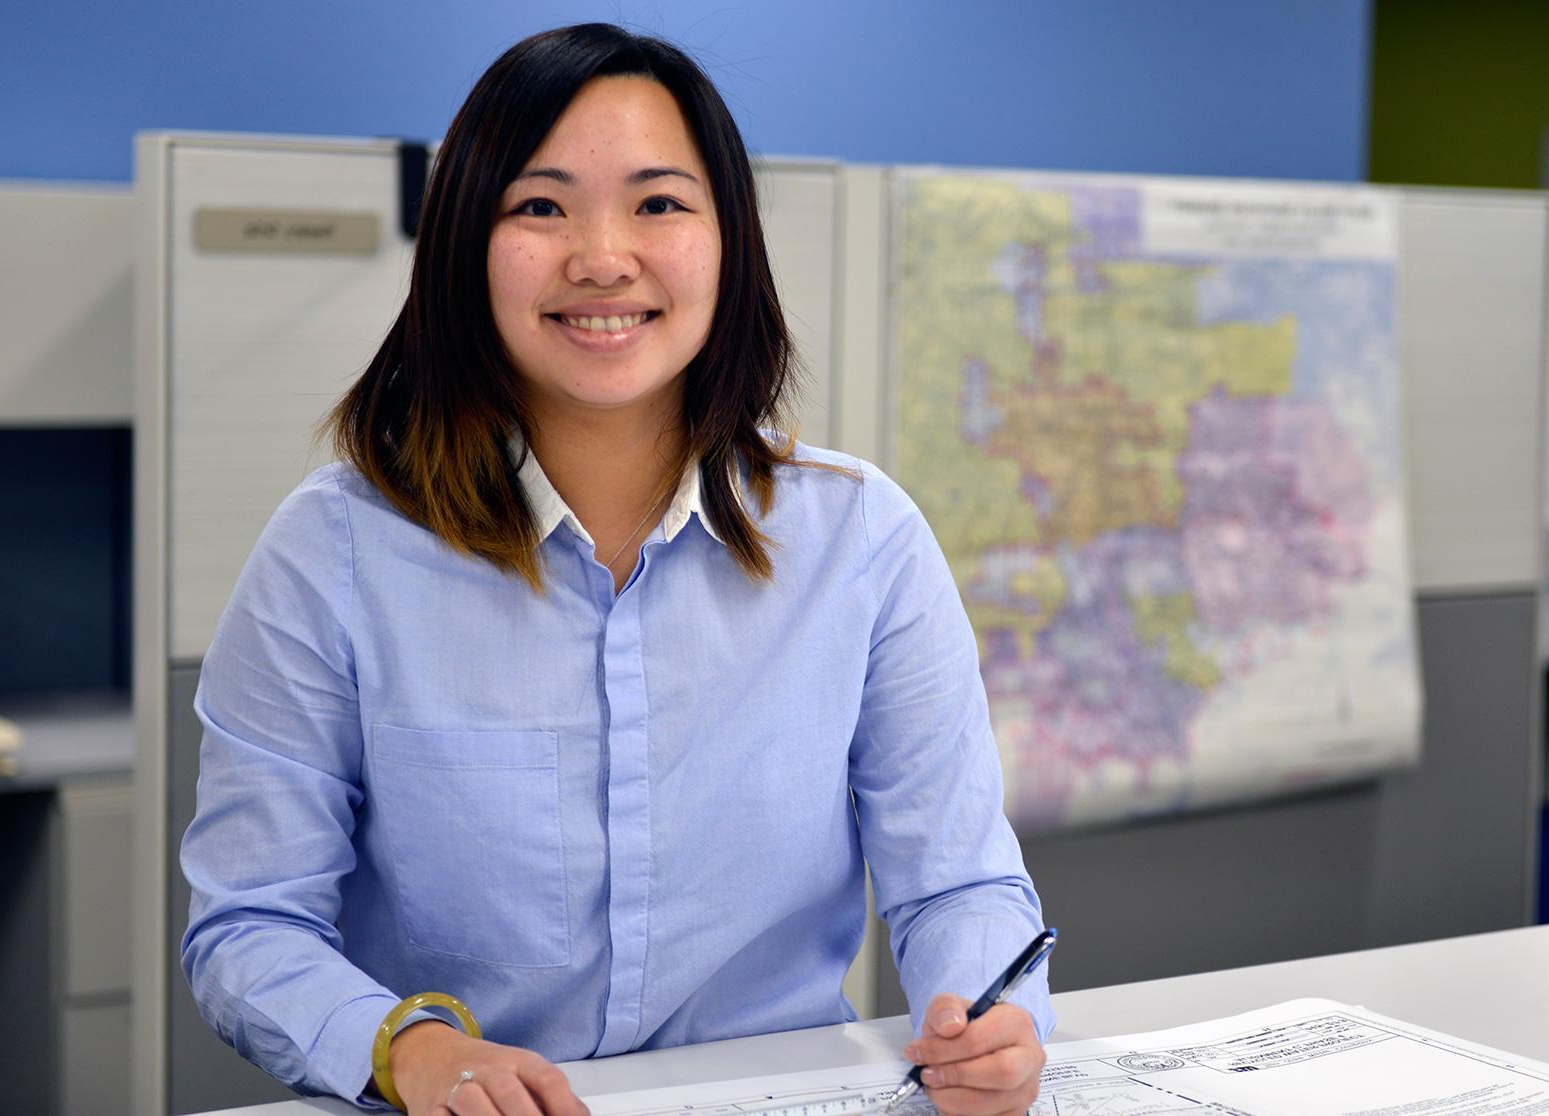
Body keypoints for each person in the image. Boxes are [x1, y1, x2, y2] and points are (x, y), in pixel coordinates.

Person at [179, 21, 1053, 1116]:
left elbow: (959, 881)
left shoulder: (861, 542)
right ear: (465, 249)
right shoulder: (335, 553)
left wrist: (990, 1022)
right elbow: (249, 924)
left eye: (659, 203)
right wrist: (411, 1052)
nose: (601, 256)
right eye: (539, 206)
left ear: (728, 241)